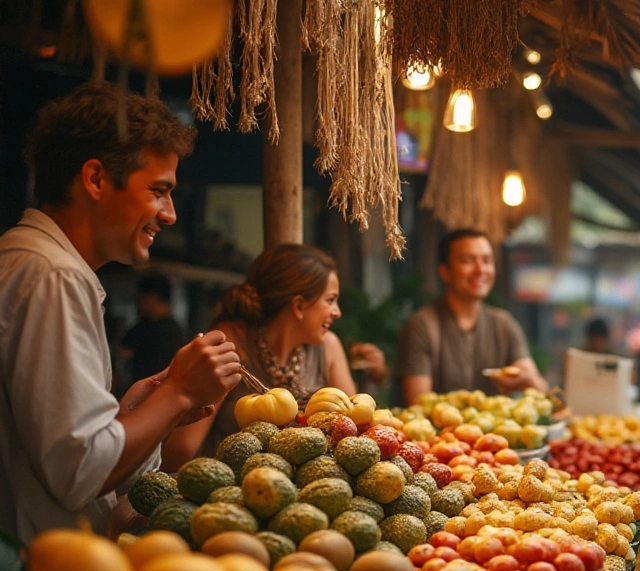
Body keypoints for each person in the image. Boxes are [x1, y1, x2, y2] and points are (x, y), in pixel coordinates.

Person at [0, 82, 241, 542]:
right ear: (95, 180)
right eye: (158, 190)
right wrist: (179, 393)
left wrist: (141, 409)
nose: (169, 214)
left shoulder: (36, 263)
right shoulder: (52, 276)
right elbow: (80, 473)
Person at [163, 244, 387, 465]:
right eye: (330, 300)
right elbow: (181, 450)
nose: (337, 312)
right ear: (298, 306)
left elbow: (354, 429)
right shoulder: (229, 343)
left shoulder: (328, 346)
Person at [397, 228, 547, 401]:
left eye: (487, 260)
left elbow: (541, 388)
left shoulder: (504, 324)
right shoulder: (422, 325)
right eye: (468, 260)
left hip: (497, 427)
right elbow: (418, 403)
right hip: (440, 428)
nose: (480, 270)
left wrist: (530, 381)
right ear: (445, 271)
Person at [120, 274, 186, 385]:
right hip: (168, 392)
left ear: (152, 297)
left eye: (139, 298)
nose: (136, 303)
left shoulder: (144, 328)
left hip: (145, 393)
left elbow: (121, 353)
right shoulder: (176, 328)